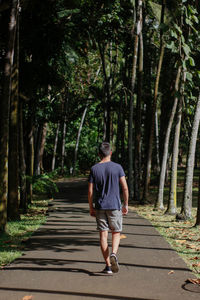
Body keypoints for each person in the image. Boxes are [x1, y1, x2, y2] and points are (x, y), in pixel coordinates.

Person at [88, 142, 129, 274]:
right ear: (110, 152)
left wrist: (91, 207)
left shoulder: (94, 169)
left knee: (103, 235)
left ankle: (108, 266)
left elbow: (90, 191)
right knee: (116, 232)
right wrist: (126, 204)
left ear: (99, 154)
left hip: (100, 206)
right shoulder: (118, 167)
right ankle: (114, 254)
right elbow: (125, 187)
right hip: (114, 205)